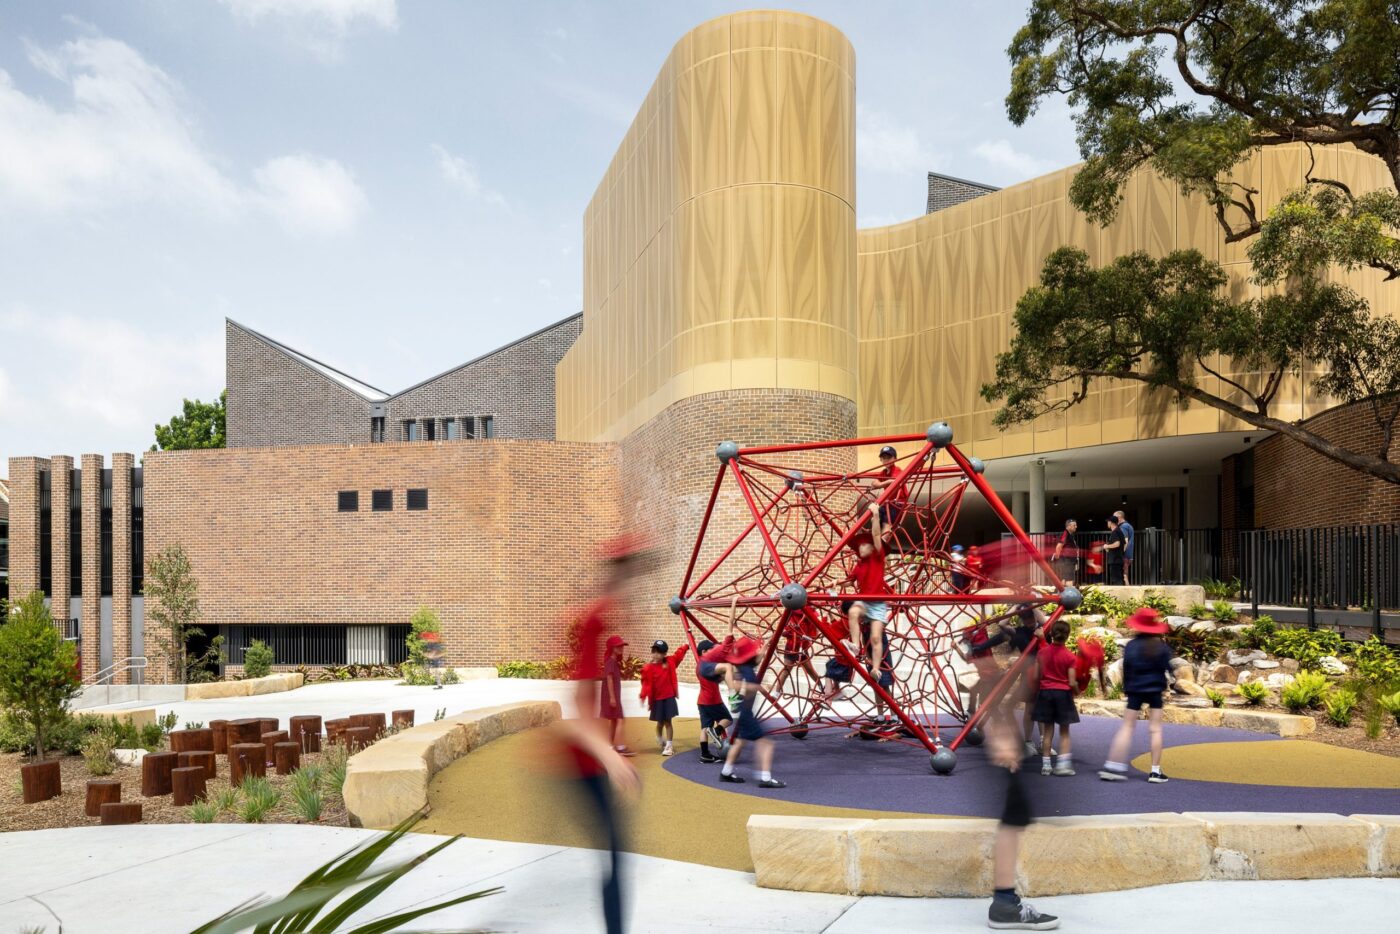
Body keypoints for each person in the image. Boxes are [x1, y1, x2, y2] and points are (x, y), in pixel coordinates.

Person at [557, 535, 645, 934]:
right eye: (627, 569)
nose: (633, 579)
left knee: (615, 853)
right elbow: (577, 711)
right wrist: (610, 757)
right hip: (578, 764)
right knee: (614, 853)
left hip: (587, 761)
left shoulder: (605, 616)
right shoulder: (594, 622)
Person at [984, 677, 1060, 930]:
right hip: (1006, 756)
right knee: (1012, 820)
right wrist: (1001, 738)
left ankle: (1005, 901)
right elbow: (995, 693)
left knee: (1014, 820)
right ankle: (1004, 904)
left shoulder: (1025, 653)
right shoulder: (1020, 650)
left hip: (1009, 749)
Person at [1100, 608, 1172, 783]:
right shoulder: (1161, 648)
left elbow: (1127, 668)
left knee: (1127, 727)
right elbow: (1168, 669)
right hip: (1155, 691)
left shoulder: (1131, 646)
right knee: (1155, 729)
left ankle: (1113, 766)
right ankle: (1155, 771)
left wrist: (1127, 687)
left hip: (1135, 690)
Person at [718, 635, 786, 788]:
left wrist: (768, 643)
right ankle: (765, 777)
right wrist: (755, 687)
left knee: (740, 742)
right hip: (746, 713)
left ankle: (726, 772)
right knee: (766, 743)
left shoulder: (746, 667)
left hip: (744, 712)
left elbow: (759, 656)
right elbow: (735, 685)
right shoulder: (747, 672)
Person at [841, 505, 891, 681]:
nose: (861, 548)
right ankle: (855, 645)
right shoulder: (859, 565)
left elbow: (877, 536)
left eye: (864, 545)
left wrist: (876, 515)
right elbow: (849, 580)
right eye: (859, 546)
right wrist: (836, 582)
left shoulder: (878, 557)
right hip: (864, 602)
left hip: (877, 603)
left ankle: (876, 669)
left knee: (876, 638)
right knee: (853, 612)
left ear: (872, 548)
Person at [1031, 618, 1079, 776]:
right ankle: (1063, 766)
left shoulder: (1042, 653)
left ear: (1051, 633)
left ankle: (1046, 766)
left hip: (1045, 693)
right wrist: (1077, 690)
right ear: (1067, 636)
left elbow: (1037, 676)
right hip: (1063, 694)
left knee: (1047, 730)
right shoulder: (1070, 657)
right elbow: (1072, 681)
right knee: (1064, 731)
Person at [639, 639, 688, 756]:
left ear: (665, 654)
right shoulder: (648, 668)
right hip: (657, 700)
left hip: (669, 697)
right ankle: (660, 738)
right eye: (654, 651)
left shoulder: (670, 662)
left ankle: (669, 746)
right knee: (660, 723)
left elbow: (678, 655)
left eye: (659, 652)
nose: (655, 654)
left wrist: (685, 646)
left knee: (668, 722)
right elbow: (645, 684)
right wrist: (642, 696)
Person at [695, 638, 732, 763]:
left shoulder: (699, 665)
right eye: (711, 650)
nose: (713, 652)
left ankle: (705, 754)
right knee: (728, 719)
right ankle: (716, 732)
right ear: (704, 651)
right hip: (713, 700)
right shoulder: (707, 666)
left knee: (705, 728)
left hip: (702, 701)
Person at [600, 635, 634, 756]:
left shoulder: (613, 662)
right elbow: (609, 679)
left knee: (614, 720)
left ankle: (609, 746)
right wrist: (612, 697)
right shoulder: (610, 662)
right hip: (611, 695)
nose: (621, 648)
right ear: (612, 648)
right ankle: (620, 746)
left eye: (622, 646)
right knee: (620, 719)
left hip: (613, 695)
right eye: (618, 646)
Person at [869, 444, 910, 543]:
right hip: (888, 503)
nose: (886, 460)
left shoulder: (897, 470)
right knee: (874, 518)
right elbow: (874, 483)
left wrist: (882, 483)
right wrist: (884, 483)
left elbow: (894, 482)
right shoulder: (883, 472)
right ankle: (876, 540)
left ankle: (882, 542)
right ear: (881, 460)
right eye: (883, 458)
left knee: (888, 523)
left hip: (898, 504)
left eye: (889, 457)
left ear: (895, 459)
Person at [1050, 518, 1079, 585]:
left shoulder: (1070, 535)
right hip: (1067, 560)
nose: (1076, 527)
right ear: (1068, 526)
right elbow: (1059, 546)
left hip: (1068, 560)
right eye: (1074, 525)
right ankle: (1069, 594)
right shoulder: (1065, 533)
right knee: (1069, 579)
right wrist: (1057, 556)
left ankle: (1062, 593)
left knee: (1064, 578)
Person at [1114, 510, 1135, 585]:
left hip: (1124, 555)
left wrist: (1120, 554)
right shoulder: (1128, 526)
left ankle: (1127, 593)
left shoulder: (1123, 526)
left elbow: (1125, 541)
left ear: (1119, 517)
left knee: (1124, 576)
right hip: (1128, 555)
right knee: (1125, 575)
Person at [1102, 517, 1125, 585]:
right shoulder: (1119, 531)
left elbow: (1117, 544)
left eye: (1108, 522)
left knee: (1116, 580)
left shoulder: (1115, 532)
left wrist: (1107, 546)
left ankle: (1119, 595)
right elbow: (1123, 544)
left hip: (1115, 560)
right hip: (1118, 559)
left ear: (1111, 522)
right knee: (1119, 579)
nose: (1107, 523)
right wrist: (1109, 549)